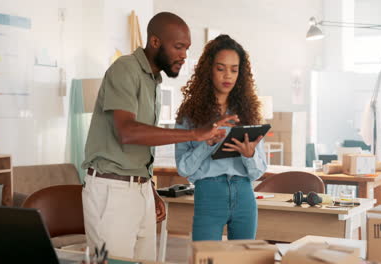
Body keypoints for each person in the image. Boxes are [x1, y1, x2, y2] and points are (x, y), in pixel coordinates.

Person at [81, 12, 238, 260]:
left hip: (139, 189)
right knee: (113, 262)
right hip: (111, 191)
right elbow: (127, 132)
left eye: (186, 48)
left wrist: (148, 188)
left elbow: (140, 148)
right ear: (155, 42)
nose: (184, 55)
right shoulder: (125, 69)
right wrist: (195, 134)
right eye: (178, 47)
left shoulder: (153, 80)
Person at [175, 34, 267, 241]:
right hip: (209, 194)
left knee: (245, 260)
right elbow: (183, 169)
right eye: (221, 68)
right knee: (206, 258)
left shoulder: (249, 112)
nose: (228, 76)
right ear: (209, 70)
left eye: (234, 70)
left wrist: (249, 155)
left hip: (244, 194)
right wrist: (207, 143)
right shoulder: (189, 114)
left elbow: (258, 171)